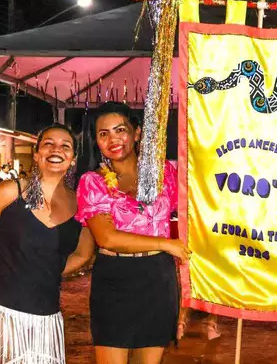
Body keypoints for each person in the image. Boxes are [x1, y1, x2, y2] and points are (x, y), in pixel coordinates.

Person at [0, 124, 95, 363]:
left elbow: (84, 254)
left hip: (45, 312)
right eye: (48, 144)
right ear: (36, 154)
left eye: (65, 146)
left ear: (73, 159)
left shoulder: (80, 205)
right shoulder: (11, 191)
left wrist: (45, 271)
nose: (56, 149)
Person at [76, 102, 190, 364]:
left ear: (136, 133)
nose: (113, 139)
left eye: (120, 130)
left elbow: (192, 214)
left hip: (158, 279)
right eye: (103, 134)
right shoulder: (93, 182)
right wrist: (165, 243)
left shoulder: (165, 173)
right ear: (97, 142)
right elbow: (107, 238)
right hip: (115, 280)